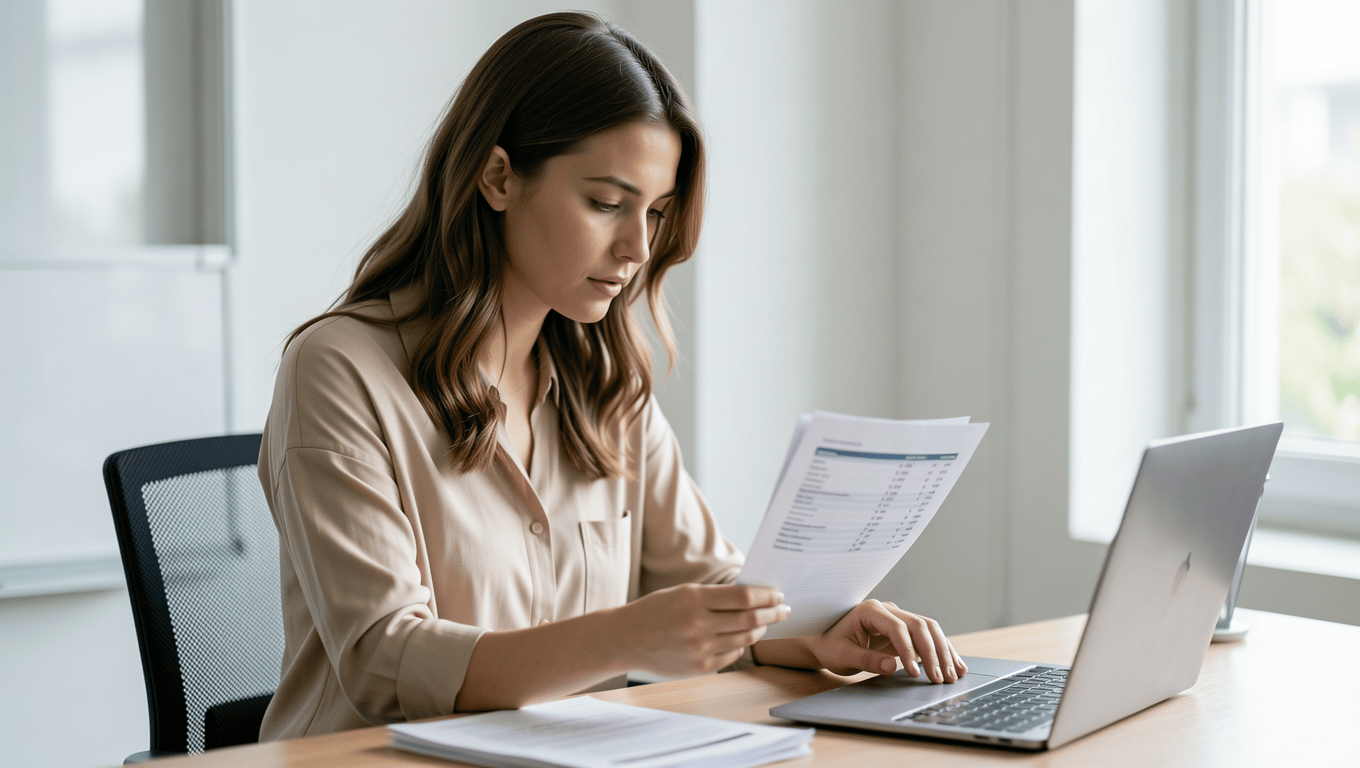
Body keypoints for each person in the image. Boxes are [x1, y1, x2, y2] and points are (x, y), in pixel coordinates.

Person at [256, 11, 967, 741]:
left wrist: (813, 631)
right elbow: (384, 661)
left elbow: (710, 585)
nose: (636, 247)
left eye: (655, 213)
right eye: (605, 204)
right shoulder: (340, 371)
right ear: (498, 177)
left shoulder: (607, 389)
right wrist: (626, 638)